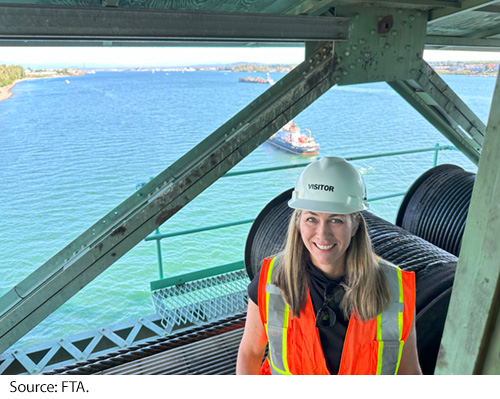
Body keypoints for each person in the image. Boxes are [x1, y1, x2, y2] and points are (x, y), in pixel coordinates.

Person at [236, 157, 422, 375]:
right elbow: (250, 353)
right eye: (311, 219)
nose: (322, 235)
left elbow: (408, 372)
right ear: (298, 222)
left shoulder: (394, 289)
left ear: (354, 226)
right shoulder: (272, 280)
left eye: (336, 220)